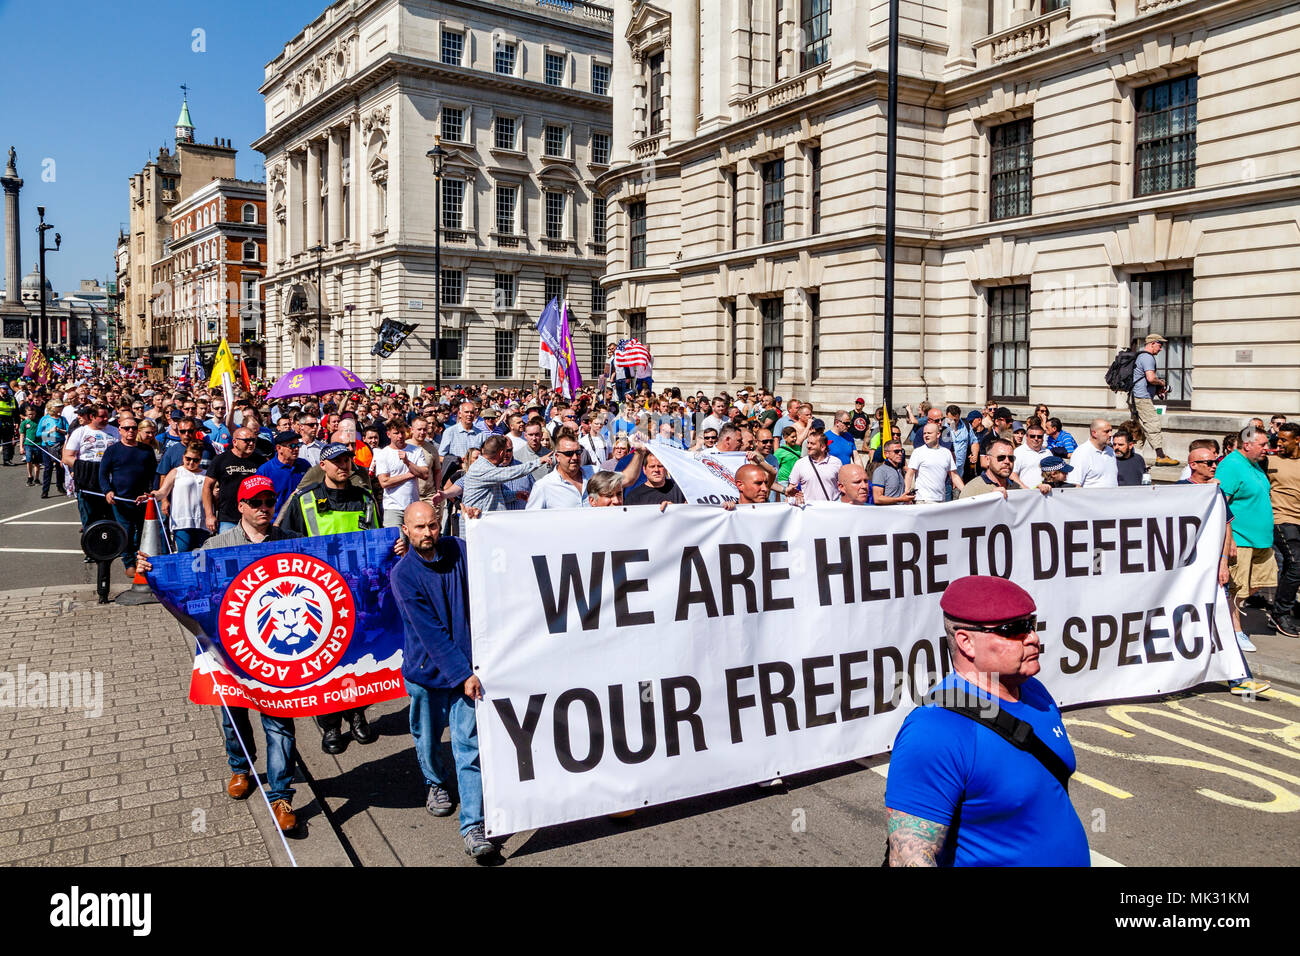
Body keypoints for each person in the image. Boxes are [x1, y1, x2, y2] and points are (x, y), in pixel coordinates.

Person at [884, 575, 1089, 866]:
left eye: (1031, 624)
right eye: (1014, 630)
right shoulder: (935, 730)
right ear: (966, 642)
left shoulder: (1034, 692)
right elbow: (910, 859)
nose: (1033, 638)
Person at [136, 475, 302, 833]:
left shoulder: (291, 542)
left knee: (280, 722)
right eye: (255, 503)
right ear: (240, 507)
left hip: (279, 653)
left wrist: (391, 549)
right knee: (233, 717)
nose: (263, 509)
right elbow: (184, 577)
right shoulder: (216, 546)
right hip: (230, 650)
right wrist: (154, 570)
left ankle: (281, 795)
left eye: (268, 502)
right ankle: (240, 768)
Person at [393, 500, 495, 857]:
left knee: (468, 748)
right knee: (428, 740)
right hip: (427, 675)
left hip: (466, 673)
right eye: (419, 528)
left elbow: (488, 554)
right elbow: (431, 633)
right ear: (406, 530)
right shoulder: (403, 575)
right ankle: (435, 781)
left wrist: (480, 525)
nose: (428, 534)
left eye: (433, 526)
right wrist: (461, 672)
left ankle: (474, 826)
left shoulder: (456, 550)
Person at [280, 442, 390, 753]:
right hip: (317, 595)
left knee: (359, 658)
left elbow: (376, 541)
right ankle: (330, 725)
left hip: (358, 595)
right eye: (336, 461)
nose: (343, 465)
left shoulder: (366, 498)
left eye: (347, 460)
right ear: (323, 466)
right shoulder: (304, 500)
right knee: (324, 662)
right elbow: (286, 547)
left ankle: (357, 715)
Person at [1217, 426, 1276, 654]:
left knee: (1261, 581)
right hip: (1240, 539)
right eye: (1262, 445)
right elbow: (1221, 504)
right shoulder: (1231, 465)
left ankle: (1225, 618)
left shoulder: (1255, 465)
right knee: (1236, 587)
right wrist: (1227, 539)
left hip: (1260, 540)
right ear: (1247, 444)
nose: (1267, 449)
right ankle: (1235, 631)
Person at [99, 416, 158, 576]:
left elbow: (154, 474)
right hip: (121, 501)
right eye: (126, 428)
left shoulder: (146, 450)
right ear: (120, 431)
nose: (130, 431)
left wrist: (153, 492)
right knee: (126, 532)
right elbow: (103, 474)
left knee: (142, 533)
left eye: (133, 428)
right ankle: (129, 562)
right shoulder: (112, 451)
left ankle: (142, 561)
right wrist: (107, 491)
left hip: (142, 500)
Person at [528, 432, 646, 510]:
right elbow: (531, 522)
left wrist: (639, 452)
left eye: (578, 453)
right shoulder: (543, 486)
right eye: (569, 454)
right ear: (557, 457)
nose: (574, 457)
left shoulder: (594, 472)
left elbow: (627, 479)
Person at [458, 433, 553, 513]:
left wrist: (516, 495)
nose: (507, 454)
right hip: (478, 524)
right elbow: (512, 472)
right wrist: (538, 461)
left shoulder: (483, 465)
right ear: (501, 453)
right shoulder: (484, 469)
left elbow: (497, 495)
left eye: (510, 450)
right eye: (505, 451)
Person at [63, 406, 120, 531]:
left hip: (111, 482)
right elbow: (67, 457)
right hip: (87, 482)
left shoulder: (116, 431)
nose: (106, 419)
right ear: (92, 417)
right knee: (90, 517)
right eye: (102, 417)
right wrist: (86, 468)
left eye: (107, 416)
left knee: (110, 518)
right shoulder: (80, 432)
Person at [1267, 422, 1300, 637]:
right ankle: (1280, 613)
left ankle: (1286, 605)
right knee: (1297, 565)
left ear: (1297, 440)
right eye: (1278, 439)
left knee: (1293, 567)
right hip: (1280, 519)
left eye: (1284, 440)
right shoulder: (1268, 460)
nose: (1279, 443)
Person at [205, 427, 268, 534]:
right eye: (247, 441)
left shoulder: (261, 461)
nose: (251, 443)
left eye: (253, 440)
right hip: (228, 519)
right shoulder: (221, 460)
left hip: (254, 518)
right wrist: (209, 515)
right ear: (234, 442)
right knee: (228, 549)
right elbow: (207, 487)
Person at [1131, 332, 1179, 466]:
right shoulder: (1148, 358)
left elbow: (1144, 380)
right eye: (1160, 344)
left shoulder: (1140, 357)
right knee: (1153, 424)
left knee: (1140, 428)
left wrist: (1156, 390)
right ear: (1152, 343)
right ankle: (1161, 456)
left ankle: (1134, 455)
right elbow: (1151, 378)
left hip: (1136, 397)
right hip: (1142, 398)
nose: (1161, 348)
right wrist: (1161, 383)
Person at [373, 419, 432, 527]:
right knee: (396, 542)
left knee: (414, 542)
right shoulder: (383, 454)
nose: (400, 436)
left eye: (402, 432)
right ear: (388, 434)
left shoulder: (416, 451)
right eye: (396, 433)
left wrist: (407, 462)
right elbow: (384, 482)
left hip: (413, 507)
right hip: (393, 508)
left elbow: (425, 474)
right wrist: (409, 475)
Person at [959, 437, 1039, 498]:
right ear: (987, 460)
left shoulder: (1017, 488)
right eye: (1001, 458)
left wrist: (1039, 493)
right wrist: (989, 499)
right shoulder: (972, 490)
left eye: (1011, 458)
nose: (1007, 462)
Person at [906, 422, 964, 504]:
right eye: (924, 433)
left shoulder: (946, 453)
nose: (926, 435)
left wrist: (966, 492)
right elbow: (909, 474)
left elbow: (954, 476)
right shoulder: (918, 452)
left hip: (941, 500)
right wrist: (907, 493)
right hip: (923, 499)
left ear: (938, 434)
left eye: (929, 433)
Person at [786, 430, 843, 503]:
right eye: (808, 443)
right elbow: (791, 487)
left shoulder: (836, 462)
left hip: (830, 509)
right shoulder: (800, 463)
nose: (808, 446)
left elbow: (843, 486)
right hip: (809, 510)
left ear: (822, 447)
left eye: (812, 444)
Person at [1066, 419, 1118, 488]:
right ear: (1094, 433)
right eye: (1106, 431)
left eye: (1111, 431)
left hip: (1114, 497)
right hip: (1091, 498)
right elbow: (1075, 485)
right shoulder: (1081, 453)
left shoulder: (1111, 451)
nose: (1110, 434)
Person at [35, 399, 67, 498]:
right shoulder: (45, 419)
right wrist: (49, 432)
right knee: (48, 468)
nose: (61, 408)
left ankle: (60, 485)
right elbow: (38, 433)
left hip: (60, 444)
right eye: (58, 406)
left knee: (60, 467)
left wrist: (59, 430)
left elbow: (68, 430)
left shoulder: (62, 419)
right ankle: (45, 490)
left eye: (61, 406)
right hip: (47, 445)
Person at [871, 440, 914, 505]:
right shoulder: (880, 471)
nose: (900, 454)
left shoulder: (899, 470)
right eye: (896, 451)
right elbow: (877, 498)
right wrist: (900, 499)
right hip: (888, 513)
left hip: (901, 512)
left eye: (901, 451)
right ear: (886, 454)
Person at [1012, 421, 1050, 489]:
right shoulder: (1018, 452)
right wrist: (1025, 489)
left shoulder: (1048, 453)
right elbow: (1012, 474)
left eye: (1039, 437)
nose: (1036, 439)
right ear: (1026, 437)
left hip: (1046, 494)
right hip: (1026, 494)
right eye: (1032, 436)